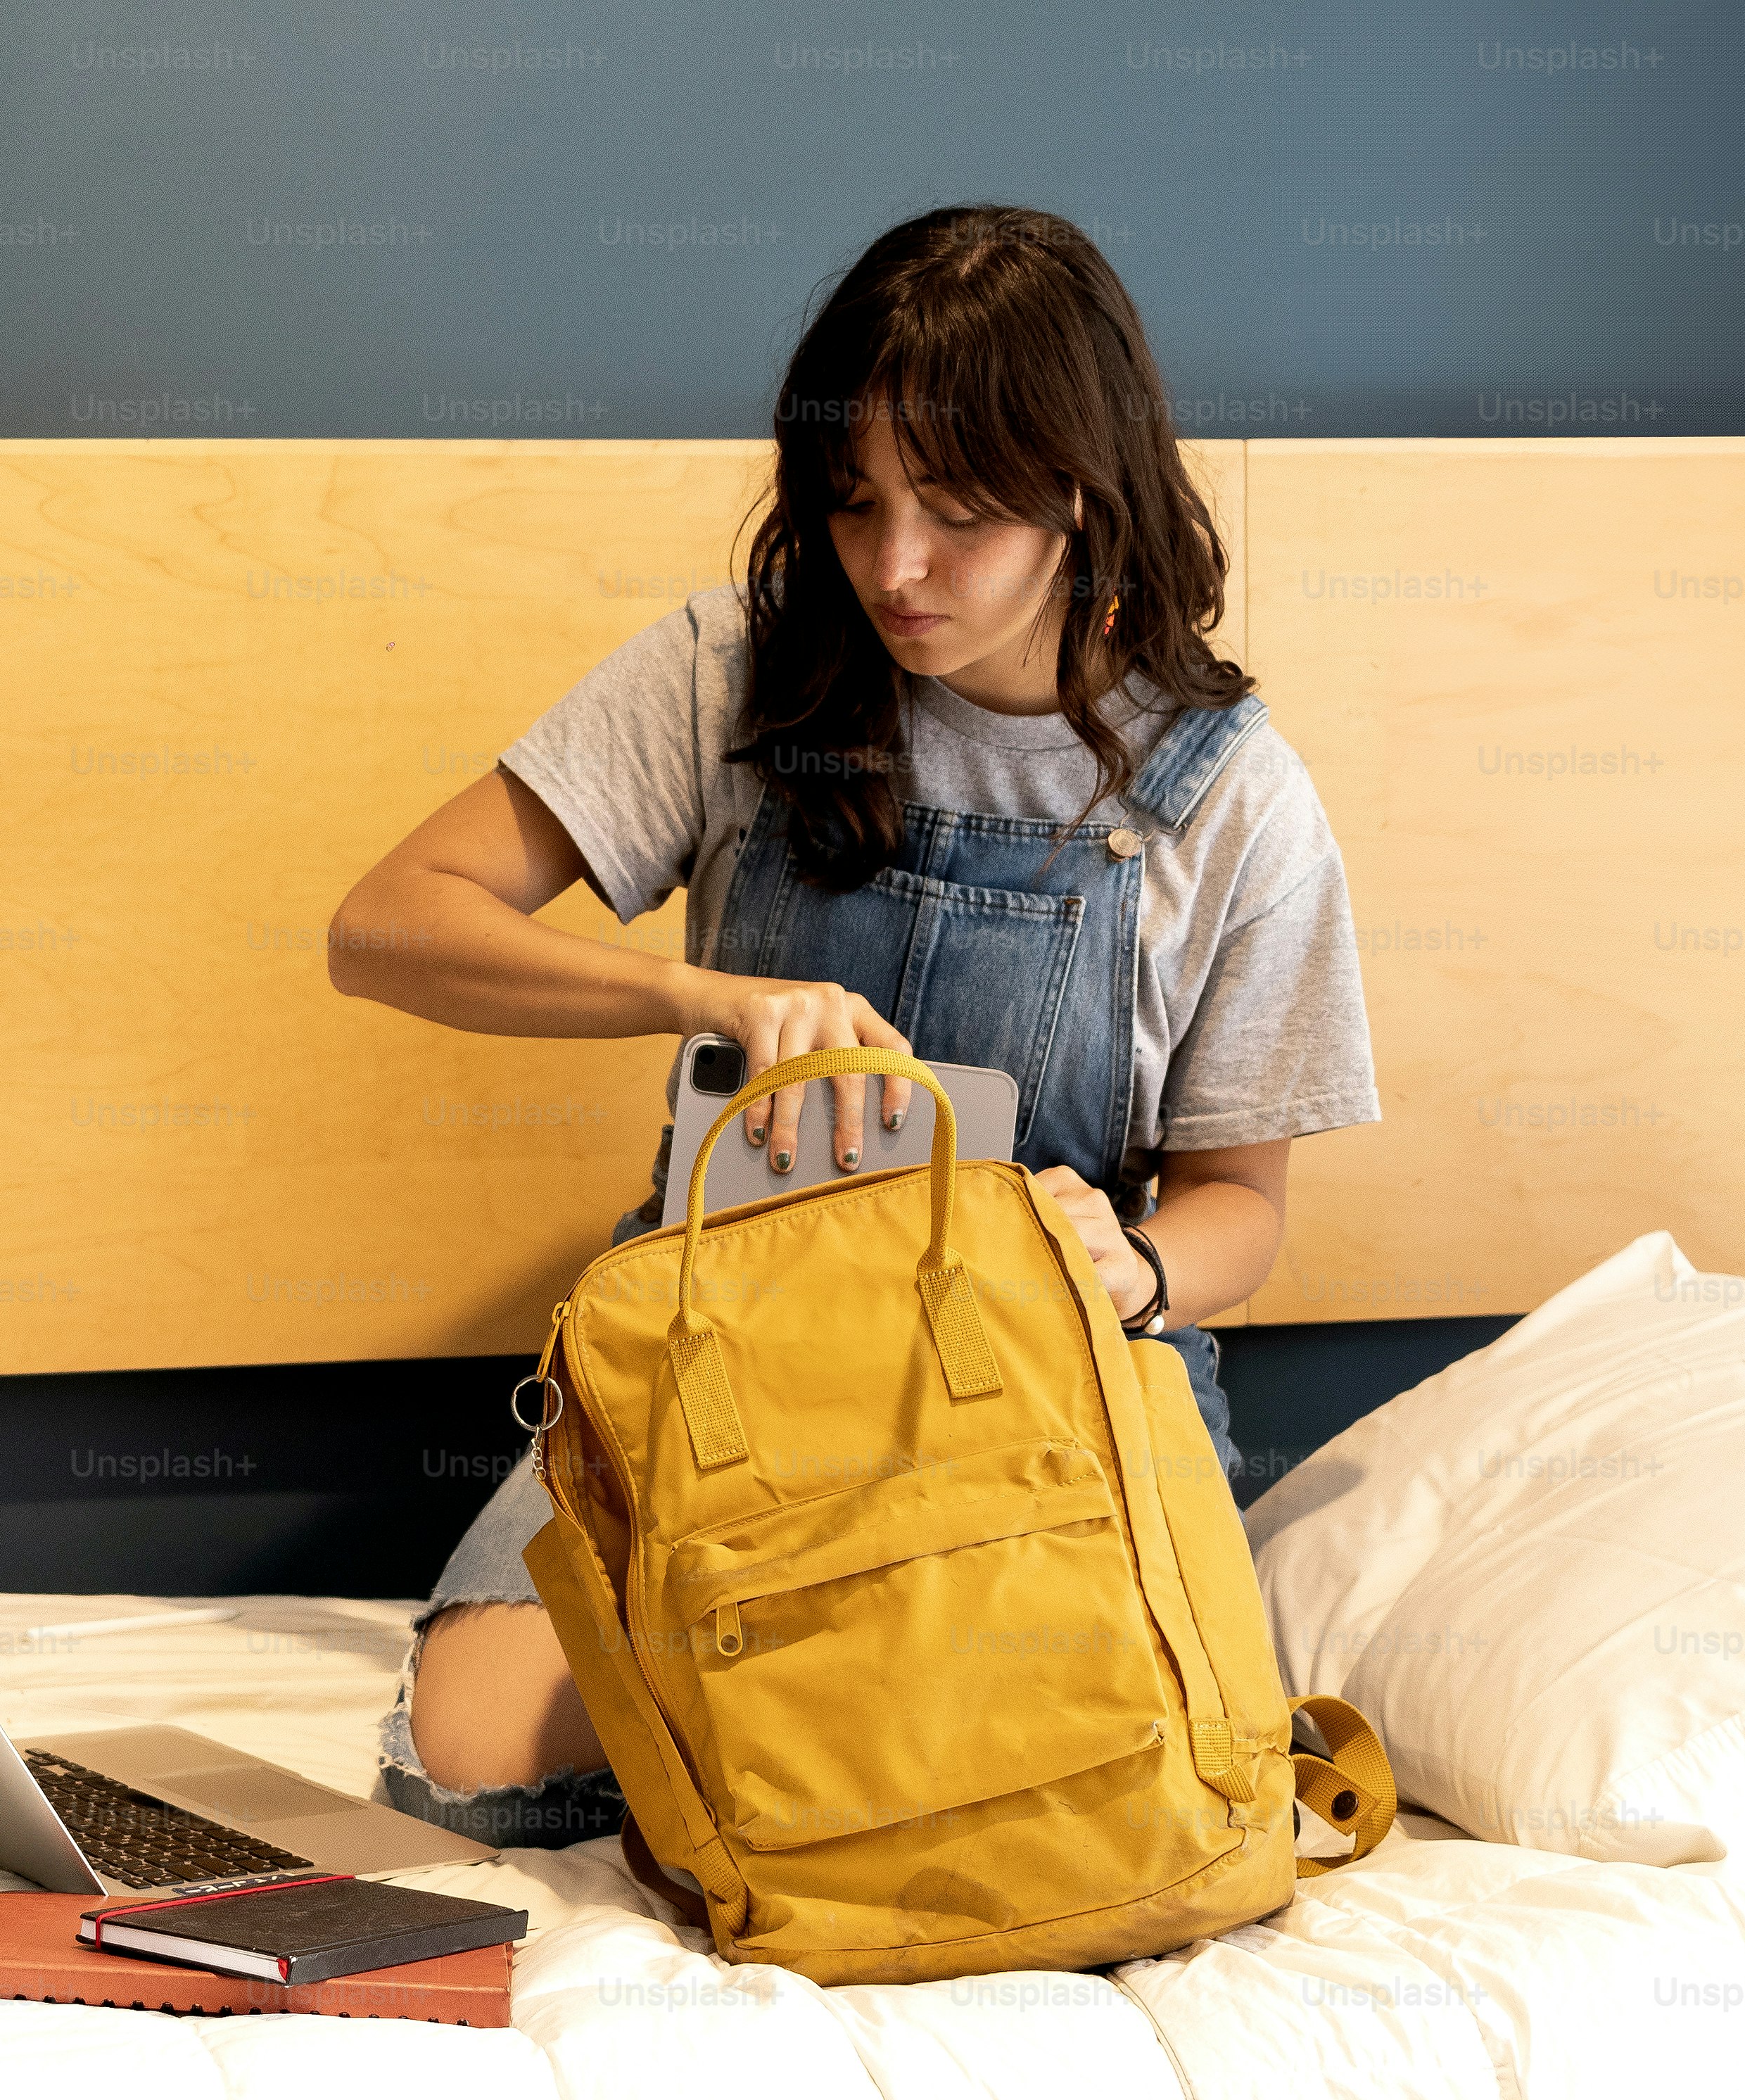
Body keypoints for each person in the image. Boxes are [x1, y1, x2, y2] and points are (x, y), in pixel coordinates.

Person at [324, 204, 1381, 1849]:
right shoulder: (733, 677)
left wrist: (1146, 1268)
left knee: (1062, 1764)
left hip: (1046, 1388)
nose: (892, 567)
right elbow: (386, 925)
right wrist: (698, 995)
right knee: (466, 1761)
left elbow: (1243, 1206)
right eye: (853, 502)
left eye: (956, 515)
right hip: (725, 1349)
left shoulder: (1232, 800)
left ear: (1081, 494)